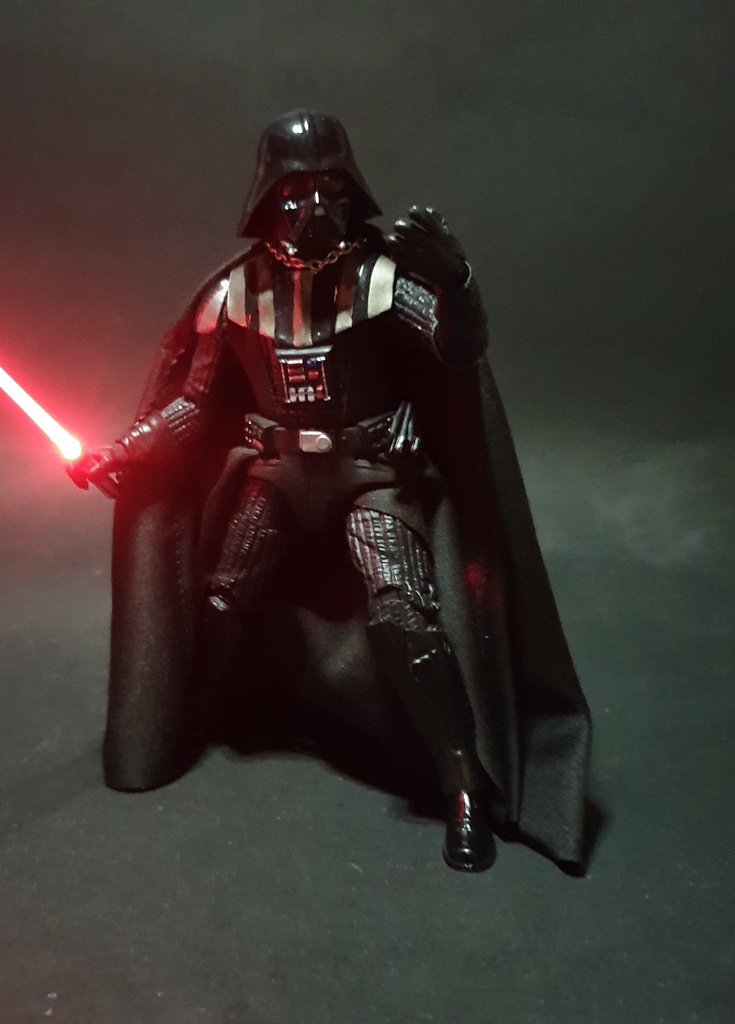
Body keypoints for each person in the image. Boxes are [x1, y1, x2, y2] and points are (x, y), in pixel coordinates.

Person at [69, 110, 591, 873]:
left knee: (402, 614)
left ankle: (462, 784)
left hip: (369, 475)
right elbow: (192, 405)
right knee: (222, 598)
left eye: (329, 189)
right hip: (277, 475)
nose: (315, 207)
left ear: (351, 192)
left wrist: (456, 284)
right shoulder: (235, 294)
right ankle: (188, 724)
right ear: (267, 198)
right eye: (296, 192)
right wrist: (123, 450)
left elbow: (454, 350)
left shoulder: (385, 281)